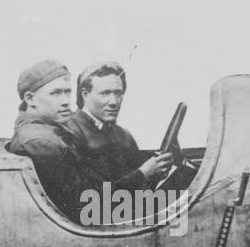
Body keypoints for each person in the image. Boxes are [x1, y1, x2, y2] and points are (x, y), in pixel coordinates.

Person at [61, 61, 172, 190]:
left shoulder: (124, 135)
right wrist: (143, 174)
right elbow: (86, 196)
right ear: (85, 94)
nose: (114, 102)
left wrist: (156, 172)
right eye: (105, 93)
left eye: (118, 93)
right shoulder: (69, 132)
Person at [5, 59, 86, 215]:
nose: (65, 101)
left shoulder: (46, 130)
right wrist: (141, 175)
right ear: (30, 99)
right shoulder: (41, 142)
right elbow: (81, 204)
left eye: (67, 92)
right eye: (55, 93)